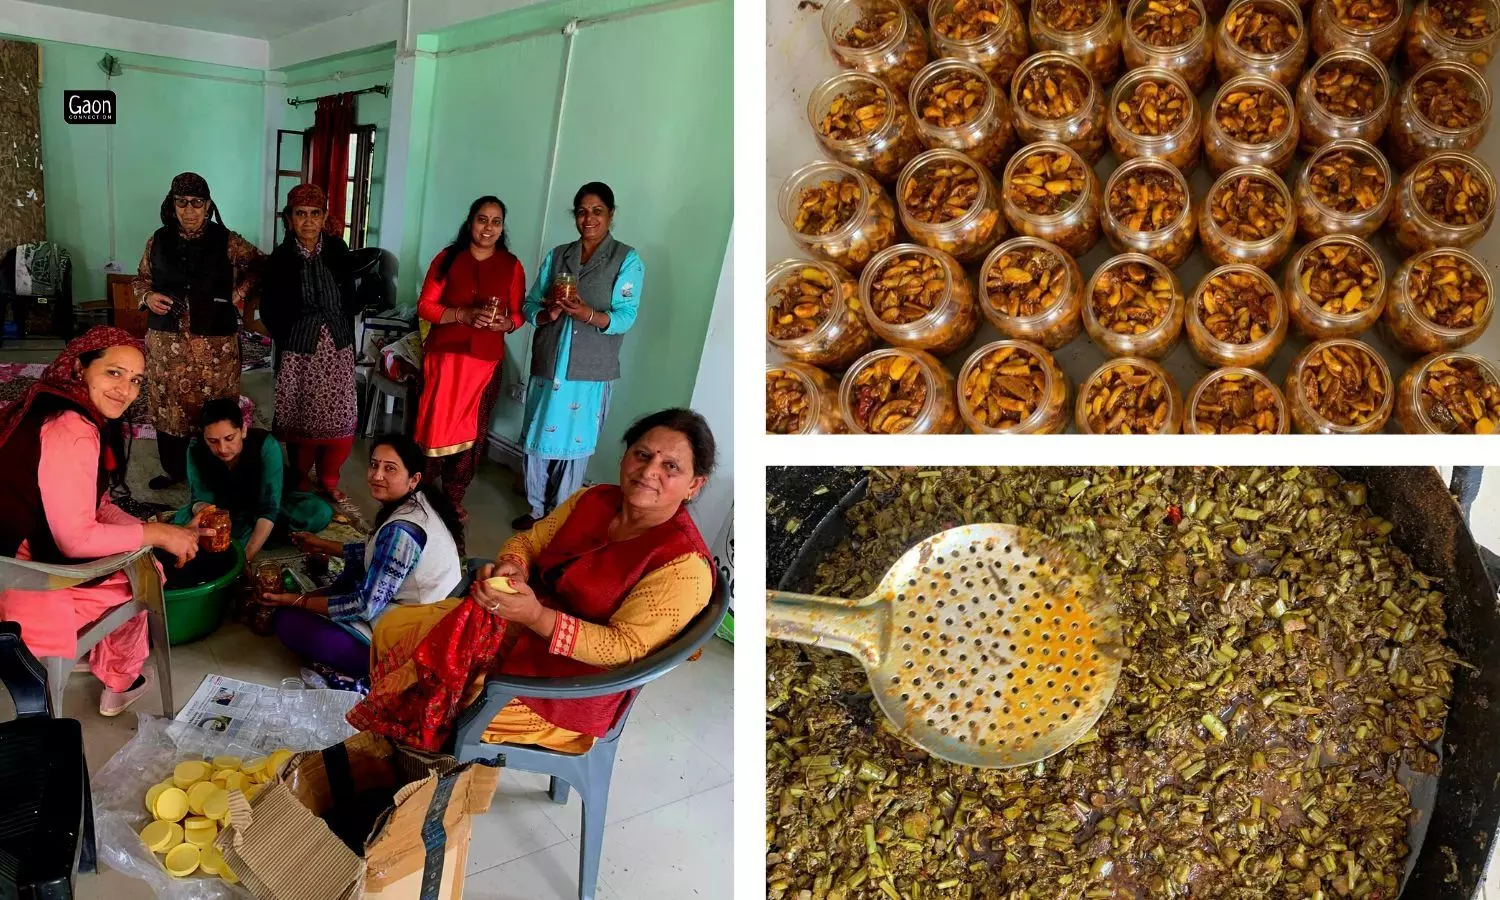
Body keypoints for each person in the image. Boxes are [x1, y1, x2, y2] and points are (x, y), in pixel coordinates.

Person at [347, 408, 715, 753]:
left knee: (448, 696)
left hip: (570, 686)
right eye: (642, 454)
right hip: (515, 627)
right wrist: (514, 568)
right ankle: (392, 753)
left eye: (670, 466)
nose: (649, 471)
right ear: (625, 456)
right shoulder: (595, 499)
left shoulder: (683, 565)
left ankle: (431, 780)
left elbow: (623, 649)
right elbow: (529, 541)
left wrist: (536, 617)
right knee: (394, 628)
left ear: (694, 485)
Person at [0, 328, 205, 716]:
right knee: (146, 573)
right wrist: (156, 536)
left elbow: (95, 503)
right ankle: (120, 680)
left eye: (135, 381)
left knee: (140, 551)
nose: (126, 390)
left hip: (11, 556)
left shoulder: (51, 402)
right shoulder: (72, 428)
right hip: (23, 581)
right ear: (81, 367)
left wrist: (158, 533)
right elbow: (75, 539)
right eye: (114, 373)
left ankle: (97, 657)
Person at [258, 434, 464, 679]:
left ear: (413, 479)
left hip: (413, 642)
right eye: (375, 465)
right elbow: (381, 555)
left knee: (288, 622)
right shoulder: (419, 502)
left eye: (390, 469)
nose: (377, 475)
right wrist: (325, 545)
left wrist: (296, 601)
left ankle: (376, 667)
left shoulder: (402, 531)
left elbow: (365, 606)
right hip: (425, 617)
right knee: (347, 578)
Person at [512, 182, 643, 532]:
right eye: (582, 211)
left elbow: (626, 315)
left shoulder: (625, 259)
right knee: (539, 437)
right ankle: (536, 509)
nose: (589, 219)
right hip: (550, 360)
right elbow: (529, 305)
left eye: (597, 211)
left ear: (611, 215)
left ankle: (560, 515)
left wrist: (587, 313)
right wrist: (548, 313)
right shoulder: (558, 255)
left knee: (575, 441)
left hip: (589, 369)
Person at [132, 172, 263, 491]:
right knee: (169, 408)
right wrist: (148, 297)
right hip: (167, 344)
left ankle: (213, 470)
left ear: (208, 206)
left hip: (214, 348)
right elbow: (141, 279)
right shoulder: (158, 240)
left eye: (197, 203)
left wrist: (240, 292)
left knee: (213, 409)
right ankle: (174, 470)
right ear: (172, 205)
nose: (189, 210)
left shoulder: (227, 240)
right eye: (182, 203)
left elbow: (260, 265)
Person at [413, 196, 525, 517]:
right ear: (470, 221)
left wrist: (509, 323)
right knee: (433, 425)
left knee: (474, 431)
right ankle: (418, 489)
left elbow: (517, 313)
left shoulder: (511, 265)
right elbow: (426, 306)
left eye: (495, 221)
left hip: (486, 362)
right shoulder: (448, 258)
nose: (488, 227)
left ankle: (453, 496)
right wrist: (461, 314)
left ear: (502, 228)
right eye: (482, 219)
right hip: (445, 358)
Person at [259, 183, 361, 502]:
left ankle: (329, 479)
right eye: (300, 214)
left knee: (341, 419)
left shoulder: (337, 250)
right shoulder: (280, 258)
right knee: (301, 420)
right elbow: (269, 309)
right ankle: (301, 480)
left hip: (339, 350)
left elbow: (351, 296)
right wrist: (291, 336)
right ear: (289, 218)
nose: (308, 221)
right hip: (299, 353)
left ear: (324, 217)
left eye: (315, 214)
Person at [170, 398, 333, 563]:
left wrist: (246, 557)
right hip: (224, 509)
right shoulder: (196, 449)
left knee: (319, 512)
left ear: (243, 431)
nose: (222, 449)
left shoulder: (266, 446)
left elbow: (270, 506)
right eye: (212, 441)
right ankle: (262, 535)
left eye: (229, 438)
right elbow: (199, 498)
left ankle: (256, 535)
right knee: (183, 522)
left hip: (268, 505)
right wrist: (206, 512)